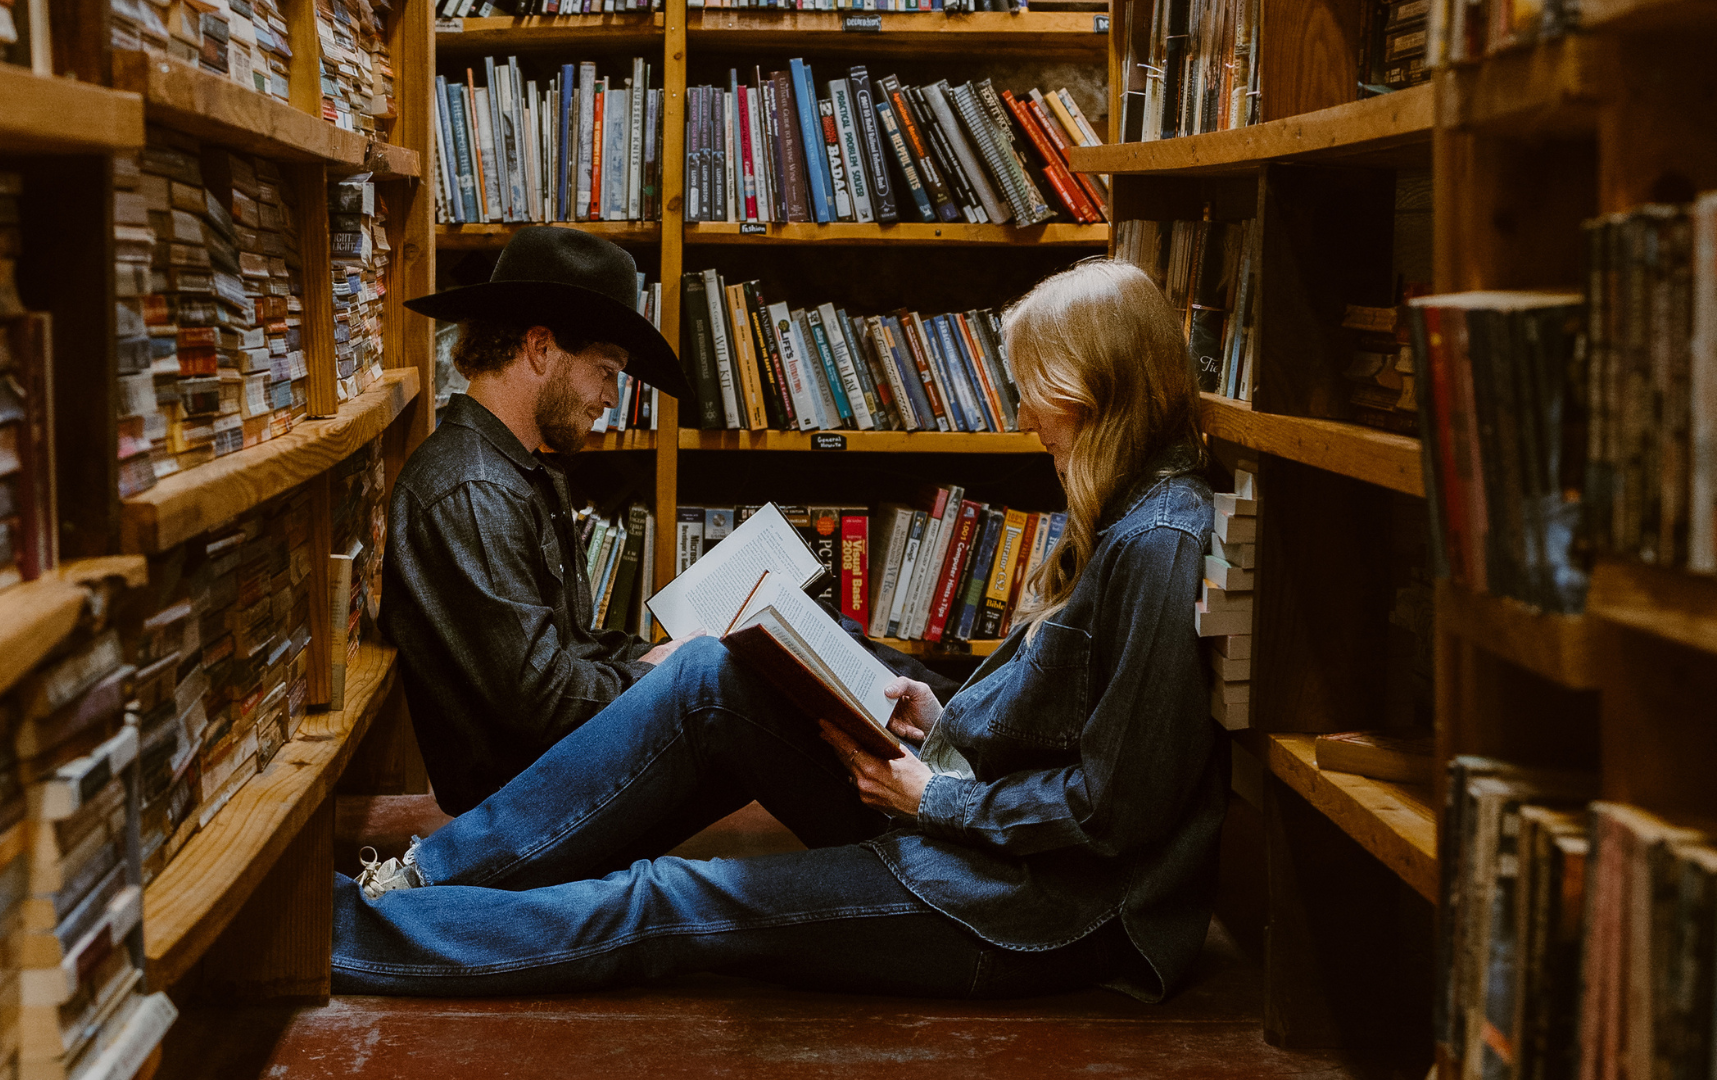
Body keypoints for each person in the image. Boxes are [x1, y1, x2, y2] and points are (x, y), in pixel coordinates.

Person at [338, 258, 1226, 1001]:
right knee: (712, 678)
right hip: (978, 836)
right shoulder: (1129, 518)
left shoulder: (1155, 542)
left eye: (1036, 390)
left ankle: (353, 935)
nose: (1024, 416)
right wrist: (940, 717)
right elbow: (1075, 727)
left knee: (667, 898)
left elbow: (1116, 809)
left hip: (1029, 905)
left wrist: (933, 796)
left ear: (1093, 390)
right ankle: (419, 887)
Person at [385, 226, 702, 817]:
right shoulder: (472, 489)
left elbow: (571, 648)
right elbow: (543, 703)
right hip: (530, 812)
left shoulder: (515, 471)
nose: (611, 397)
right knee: (729, 691)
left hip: (556, 782)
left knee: (753, 667)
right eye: (606, 369)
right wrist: (666, 676)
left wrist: (657, 658)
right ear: (539, 348)